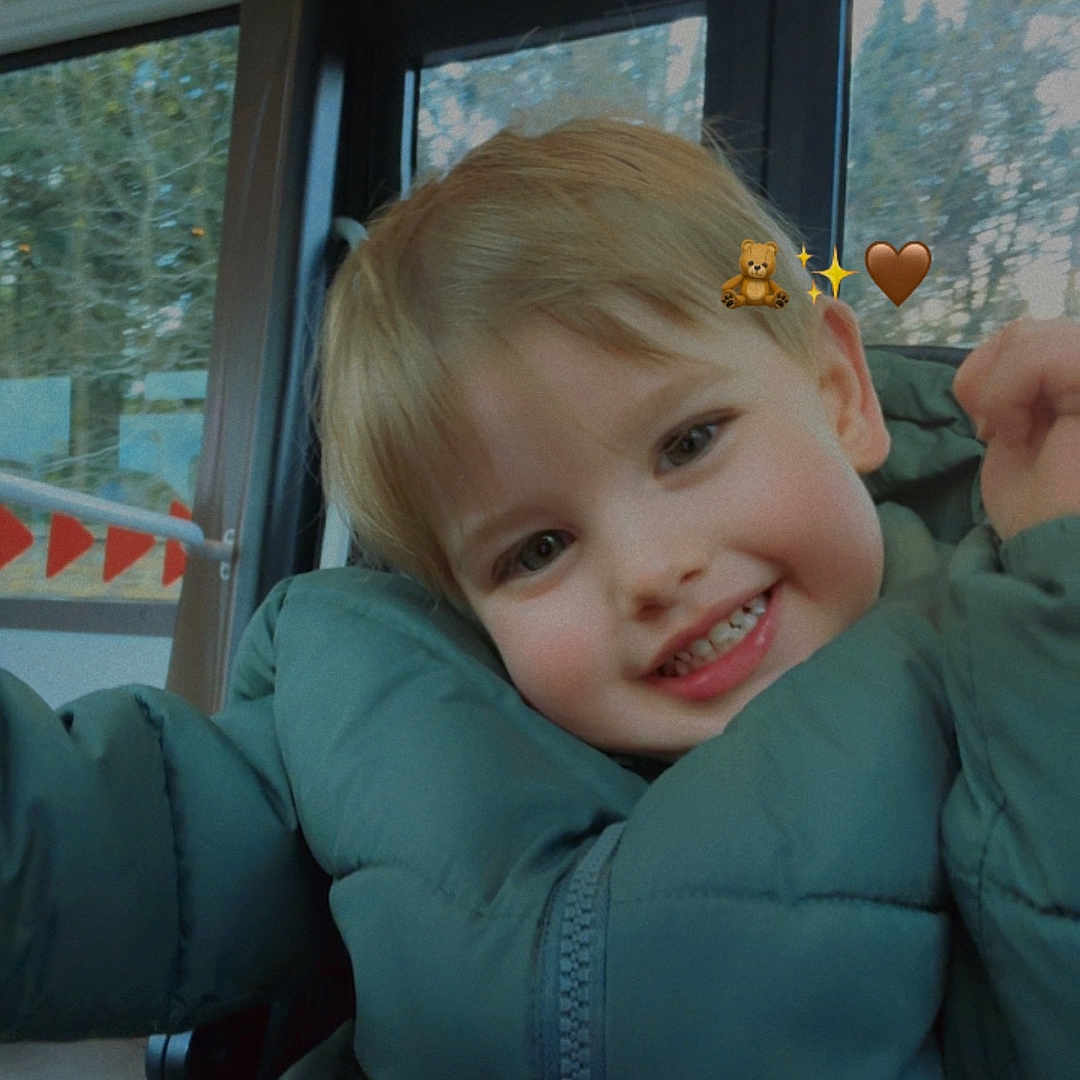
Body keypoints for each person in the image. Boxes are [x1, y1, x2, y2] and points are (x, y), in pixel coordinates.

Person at [2, 117, 1078, 1079]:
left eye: (688, 442)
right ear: (460, 600)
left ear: (839, 394)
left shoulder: (1013, 655)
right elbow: (123, 850)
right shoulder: (381, 705)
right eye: (538, 550)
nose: (651, 572)